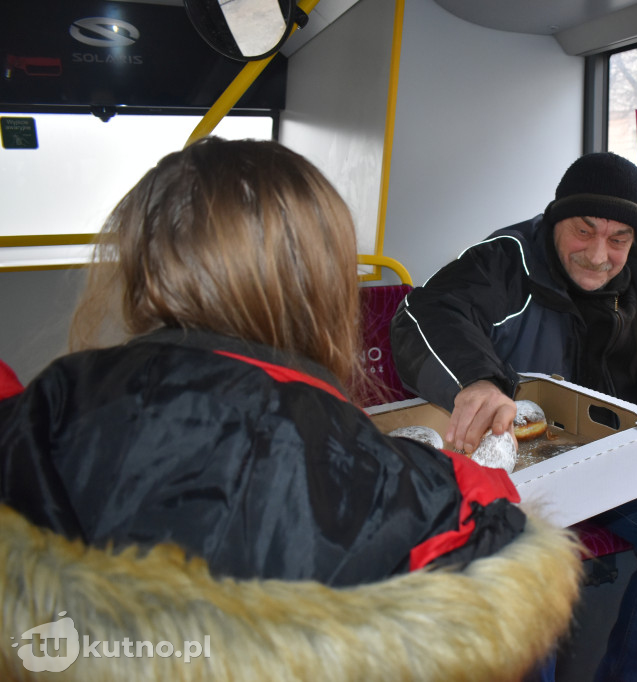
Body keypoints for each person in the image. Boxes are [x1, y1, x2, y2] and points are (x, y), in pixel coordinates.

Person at [0, 137, 580, 681]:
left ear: (141, 270)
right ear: (321, 287)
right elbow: (500, 532)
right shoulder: (397, 486)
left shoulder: (35, 418)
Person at [390, 151, 637, 682]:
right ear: (555, 218)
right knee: (533, 570)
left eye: (618, 239)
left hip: (614, 464)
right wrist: (477, 380)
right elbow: (422, 313)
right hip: (525, 475)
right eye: (583, 231)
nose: (597, 255)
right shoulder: (506, 261)